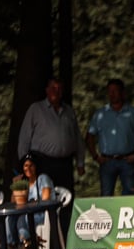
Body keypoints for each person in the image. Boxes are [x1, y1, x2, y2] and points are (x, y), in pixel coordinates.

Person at [17, 76, 85, 239]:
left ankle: (65, 242)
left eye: (59, 88)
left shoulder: (68, 111)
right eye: (53, 88)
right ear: (47, 91)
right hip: (41, 163)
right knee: (42, 201)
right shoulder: (36, 109)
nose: (56, 91)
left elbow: (77, 138)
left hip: (64, 164)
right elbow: (24, 137)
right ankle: (38, 241)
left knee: (66, 202)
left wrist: (80, 162)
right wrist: (23, 165)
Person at [86, 78, 134, 196]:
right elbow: (90, 136)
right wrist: (95, 157)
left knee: (130, 196)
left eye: (115, 91)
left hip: (127, 160)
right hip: (107, 161)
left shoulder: (132, 112)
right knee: (106, 197)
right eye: (110, 91)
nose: (112, 94)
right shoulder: (100, 114)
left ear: (122, 92)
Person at [5, 154, 54, 249]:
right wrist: (16, 186)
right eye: (25, 166)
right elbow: (14, 202)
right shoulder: (23, 182)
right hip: (26, 213)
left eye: (31, 165)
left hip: (42, 214)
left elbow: (46, 198)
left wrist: (31, 203)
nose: (28, 168)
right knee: (9, 219)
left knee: (23, 219)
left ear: (36, 166)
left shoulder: (42, 178)